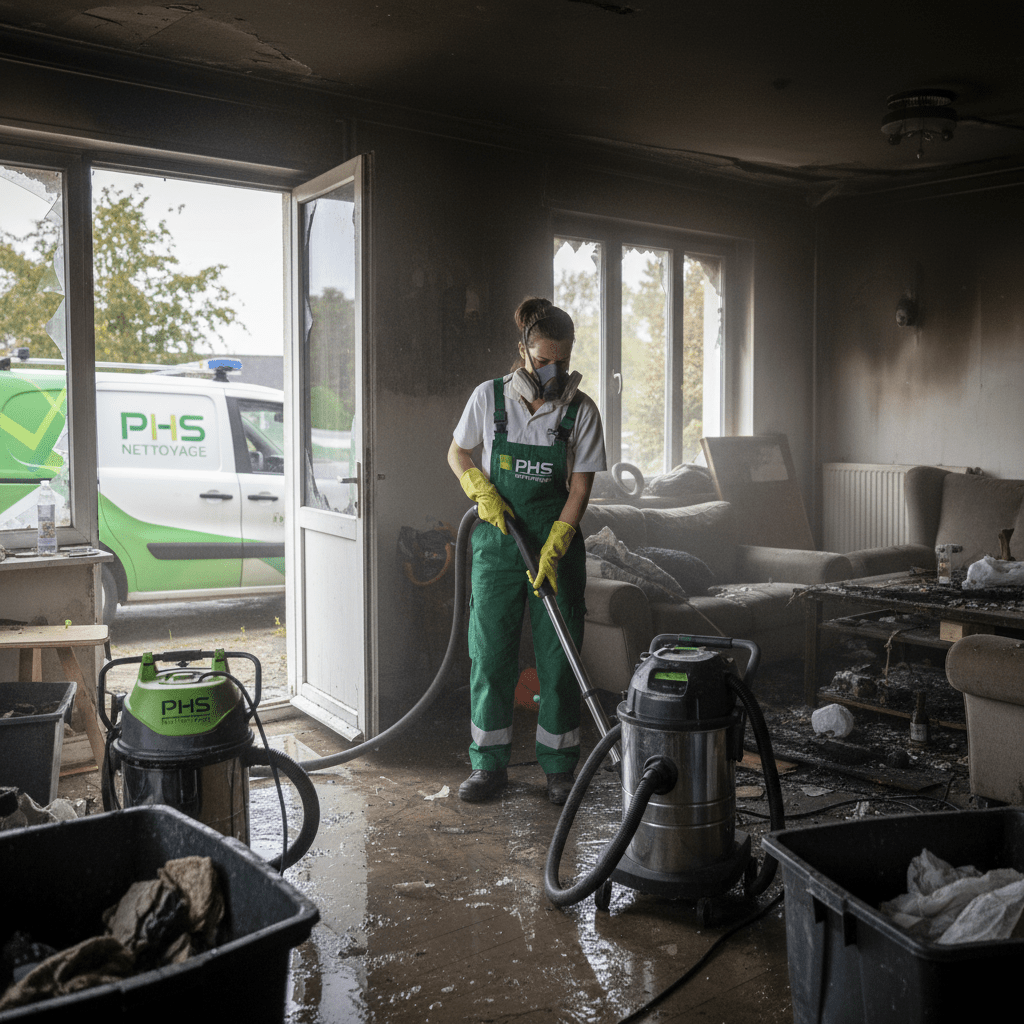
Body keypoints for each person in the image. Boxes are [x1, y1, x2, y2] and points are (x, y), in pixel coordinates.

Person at [448, 297, 607, 804]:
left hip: (555, 549)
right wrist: (479, 487)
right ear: (523, 352)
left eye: (562, 360)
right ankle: (487, 765)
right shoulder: (490, 398)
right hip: (499, 545)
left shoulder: (581, 410)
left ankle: (559, 769)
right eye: (542, 360)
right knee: (490, 656)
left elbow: (580, 487)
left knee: (559, 662)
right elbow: (458, 452)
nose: (552, 371)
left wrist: (559, 540)